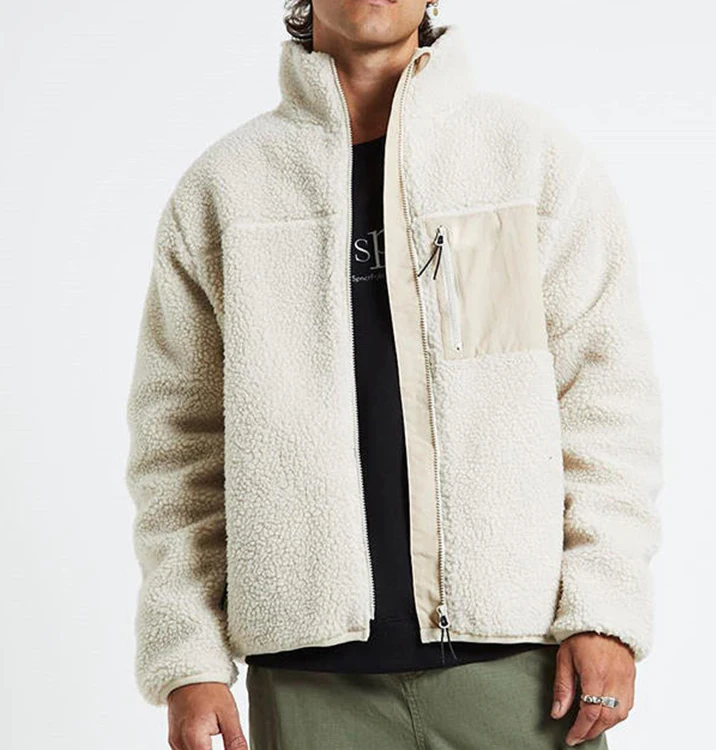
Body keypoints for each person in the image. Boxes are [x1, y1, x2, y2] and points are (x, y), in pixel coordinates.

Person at [124, 2, 663, 748]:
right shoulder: (224, 191)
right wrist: (188, 656)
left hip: (522, 675)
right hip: (311, 687)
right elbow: (178, 448)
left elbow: (605, 402)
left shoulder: (526, 161)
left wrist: (604, 611)